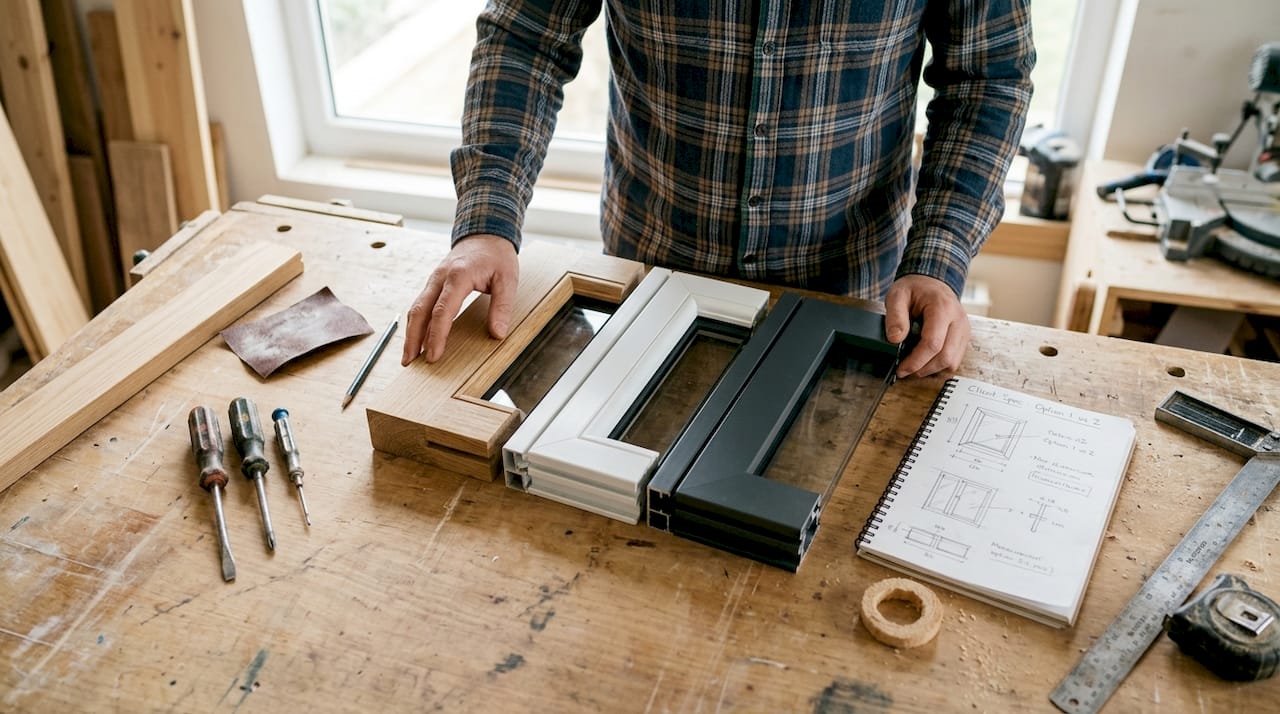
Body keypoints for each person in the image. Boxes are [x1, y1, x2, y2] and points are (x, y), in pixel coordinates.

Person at [401, 1, 1034, 378]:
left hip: (847, 288)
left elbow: (988, 79)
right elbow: (525, 39)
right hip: (646, 274)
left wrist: (939, 258)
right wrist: (487, 221)